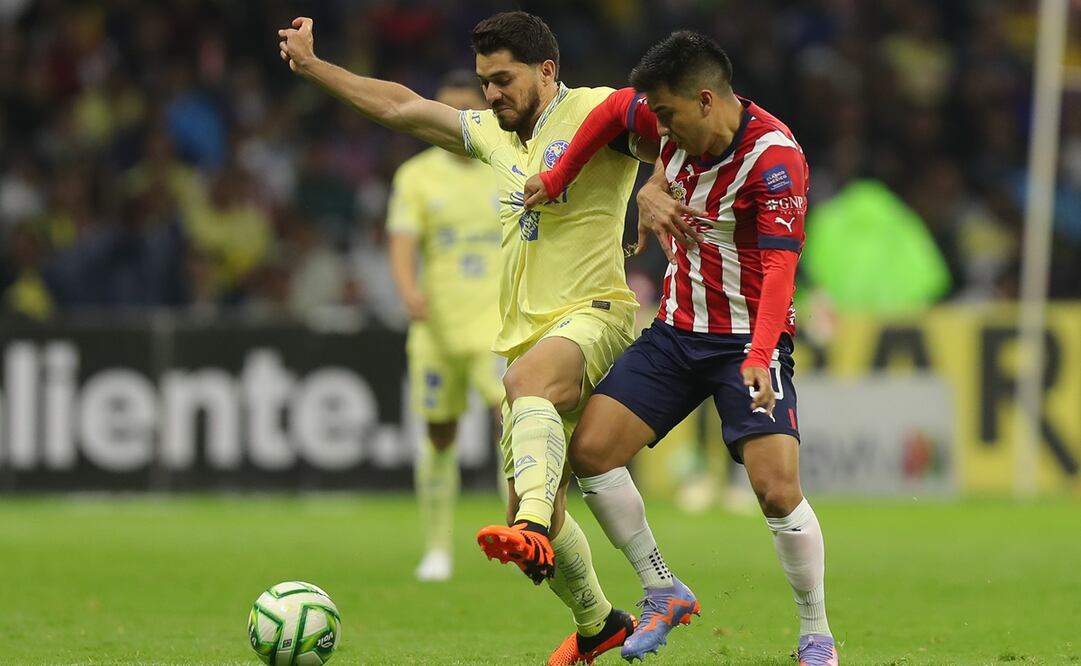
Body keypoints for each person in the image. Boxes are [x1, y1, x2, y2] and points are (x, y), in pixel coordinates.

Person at [279, 12, 648, 663]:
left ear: (546, 71)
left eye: (502, 80)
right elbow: (400, 106)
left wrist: (663, 190)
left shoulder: (596, 112)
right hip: (530, 337)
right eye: (483, 82)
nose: (490, 95)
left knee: (522, 402)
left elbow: (671, 124)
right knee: (537, 500)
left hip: (598, 313)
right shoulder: (491, 136)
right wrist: (314, 68)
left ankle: (530, 523)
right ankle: (597, 622)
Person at [523, 31, 839, 665]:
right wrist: (558, 177)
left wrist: (760, 352)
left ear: (703, 100)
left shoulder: (775, 159)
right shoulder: (665, 118)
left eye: (665, 115)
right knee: (590, 454)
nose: (654, 131)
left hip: (752, 339)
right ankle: (661, 587)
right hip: (676, 331)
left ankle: (815, 633)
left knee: (776, 489)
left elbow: (780, 270)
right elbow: (614, 111)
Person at [386, 70, 505, 583]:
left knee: (516, 426)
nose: (456, 126)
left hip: (498, 325)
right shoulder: (416, 175)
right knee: (438, 434)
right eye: (447, 113)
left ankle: (524, 535)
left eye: (466, 115)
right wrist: (407, 289)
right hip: (437, 326)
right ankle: (437, 548)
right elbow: (402, 239)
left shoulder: (504, 164)